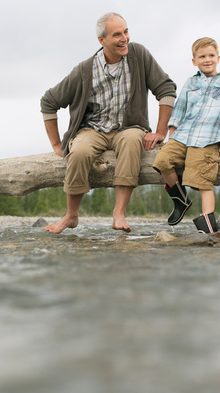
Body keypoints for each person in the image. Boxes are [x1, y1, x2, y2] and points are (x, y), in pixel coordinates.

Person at [40, 12, 176, 233]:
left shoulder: (139, 55)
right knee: (79, 152)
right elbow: (48, 102)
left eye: (126, 31)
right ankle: (71, 216)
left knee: (133, 142)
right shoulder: (84, 70)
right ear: (102, 40)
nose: (124, 38)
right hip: (92, 129)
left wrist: (161, 132)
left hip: (129, 127)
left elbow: (167, 89)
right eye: (117, 35)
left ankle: (119, 214)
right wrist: (56, 144)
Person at [152, 37, 220, 233]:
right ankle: (181, 200)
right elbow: (179, 110)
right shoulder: (191, 82)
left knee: (202, 179)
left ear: (218, 57)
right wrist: (171, 136)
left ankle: (208, 224)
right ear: (194, 61)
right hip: (184, 133)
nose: (207, 59)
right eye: (202, 56)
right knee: (163, 160)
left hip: (209, 136)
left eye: (210, 55)